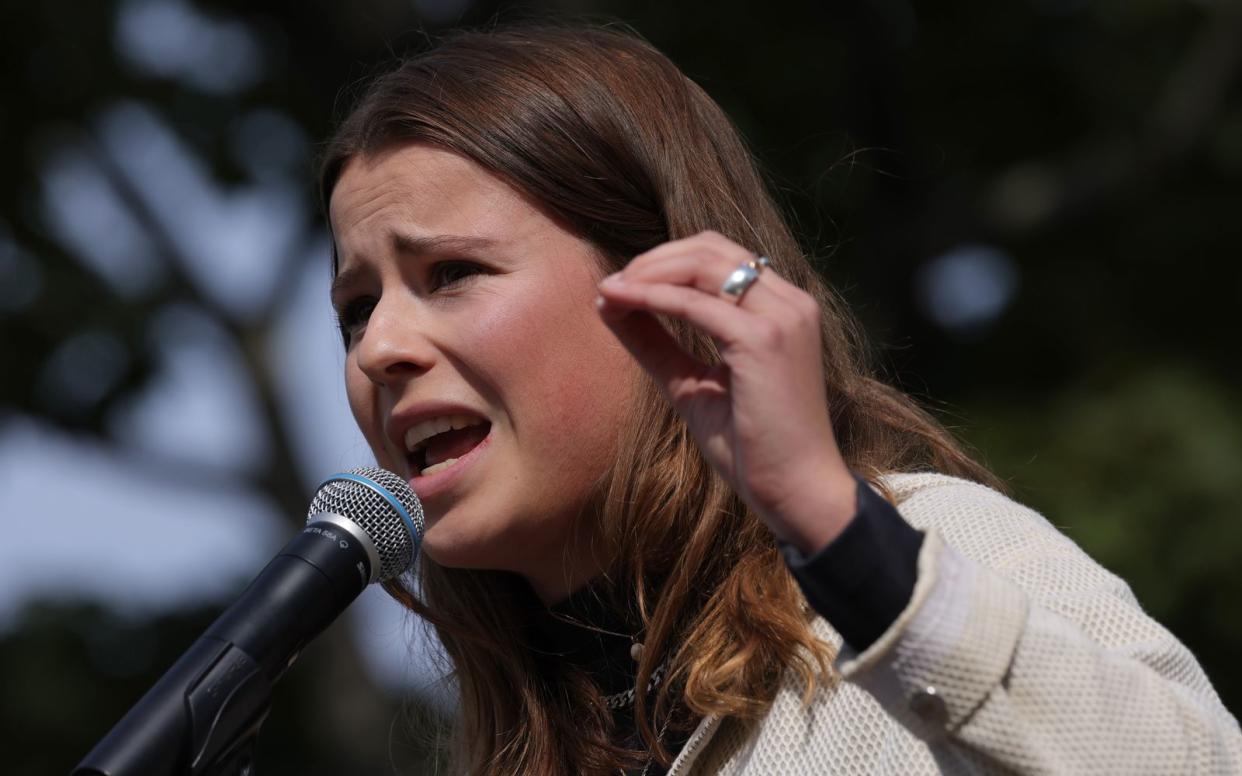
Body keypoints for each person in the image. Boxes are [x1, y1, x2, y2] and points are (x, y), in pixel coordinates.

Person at [317, 22, 1242, 775]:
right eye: (355, 311)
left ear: (659, 284)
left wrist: (845, 543)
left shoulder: (931, 557)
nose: (382, 349)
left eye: (451, 273)